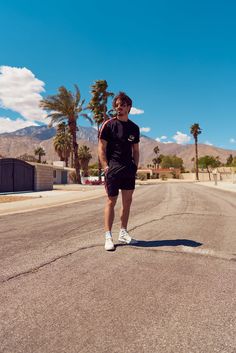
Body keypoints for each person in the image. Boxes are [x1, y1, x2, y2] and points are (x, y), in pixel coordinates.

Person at [98, 92, 140, 251]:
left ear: (129, 107)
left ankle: (123, 232)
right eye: (116, 105)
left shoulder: (134, 128)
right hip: (113, 169)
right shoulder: (108, 125)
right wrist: (106, 167)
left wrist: (134, 167)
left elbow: (136, 150)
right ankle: (108, 236)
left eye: (122, 105)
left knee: (127, 202)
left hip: (128, 169)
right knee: (111, 201)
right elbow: (101, 148)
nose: (118, 108)